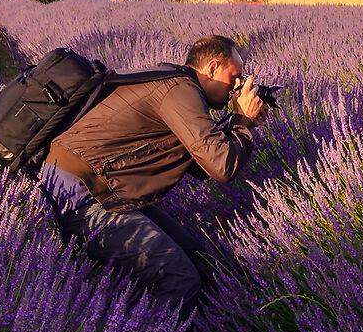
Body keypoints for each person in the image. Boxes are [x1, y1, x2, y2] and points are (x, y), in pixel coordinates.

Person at [34, 34, 267, 309]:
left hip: (100, 187)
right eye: (235, 77)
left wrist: (242, 124)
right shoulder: (180, 91)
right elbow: (221, 167)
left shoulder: (175, 83)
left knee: (196, 258)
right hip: (81, 194)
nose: (237, 86)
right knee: (178, 278)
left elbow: (203, 166)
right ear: (213, 68)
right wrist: (241, 120)